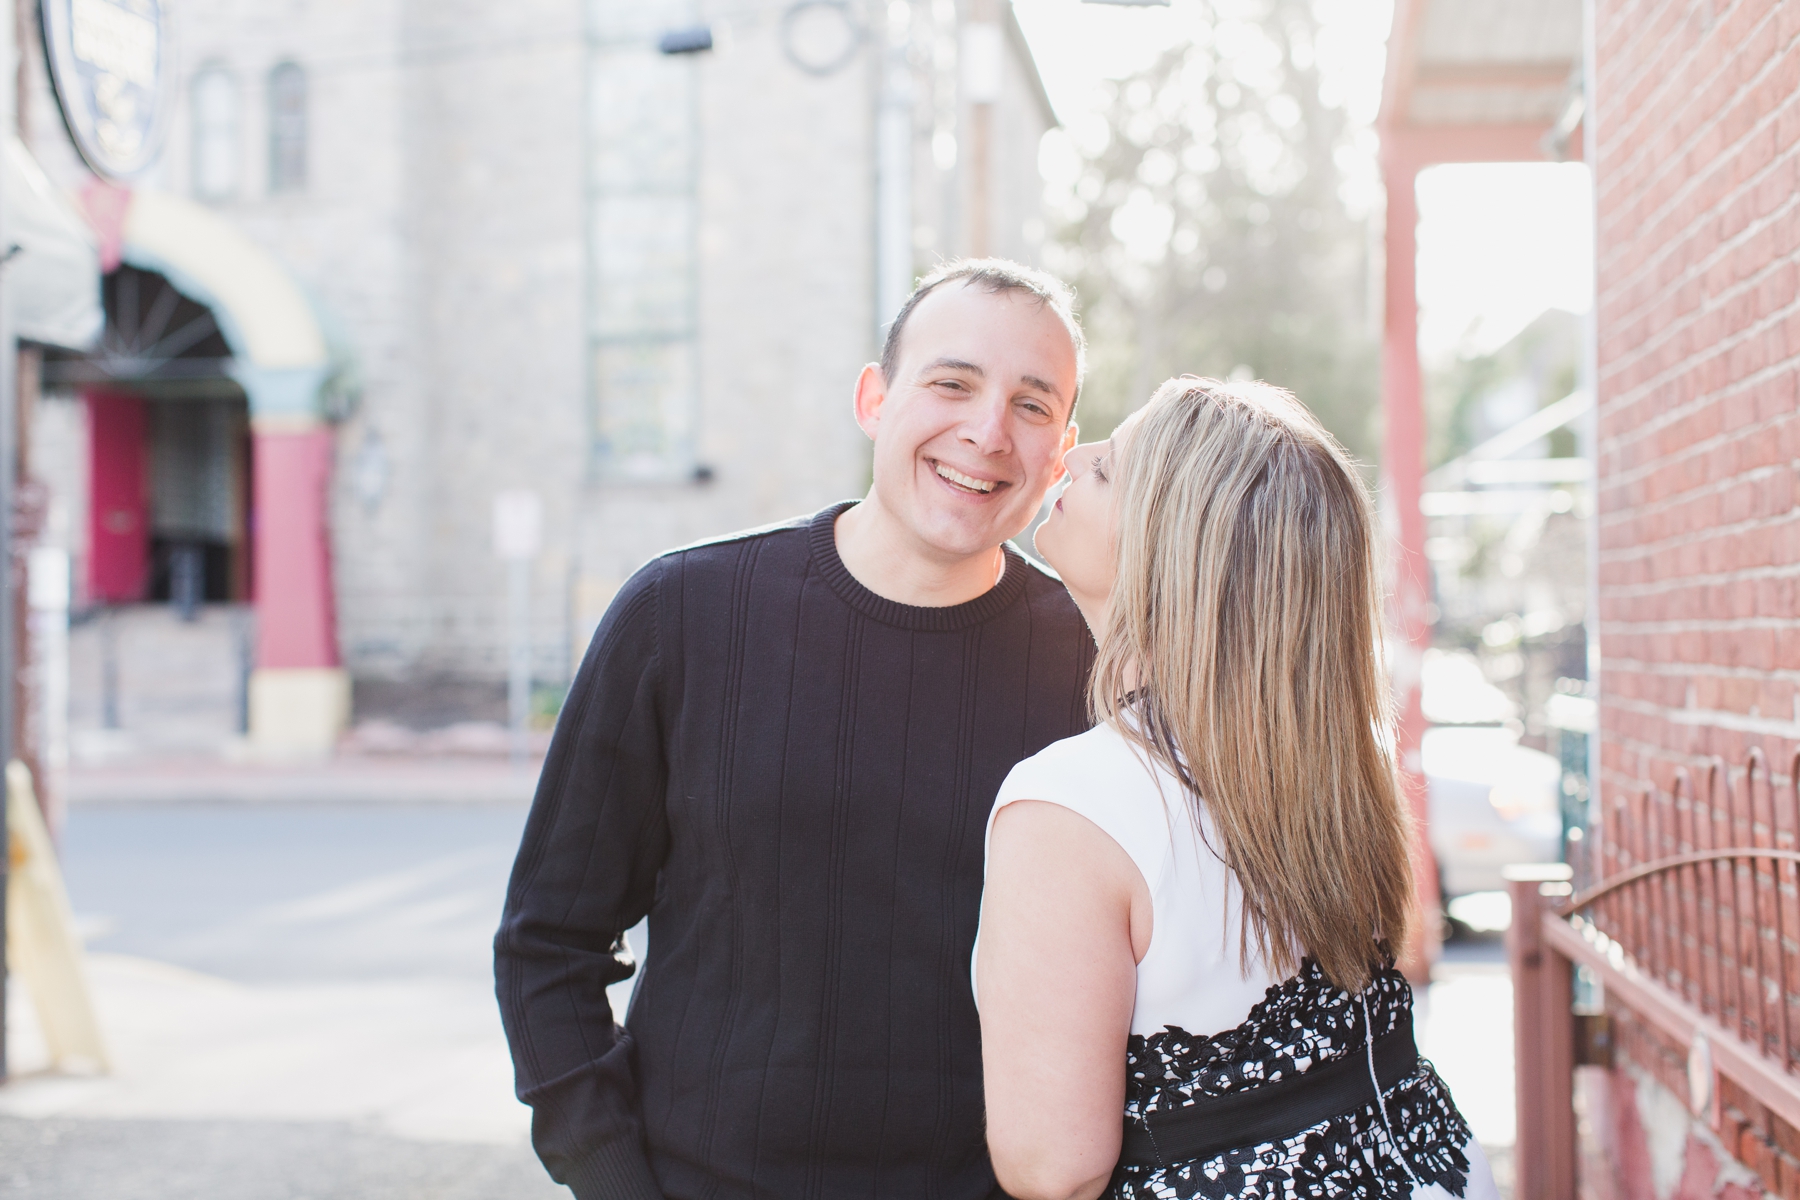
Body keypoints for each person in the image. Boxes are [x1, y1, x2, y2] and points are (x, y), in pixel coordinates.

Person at [495, 259, 1097, 1200]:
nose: (986, 433)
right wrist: (615, 1180)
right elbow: (547, 944)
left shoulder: (1097, 667)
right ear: (873, 399)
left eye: (1031, 405)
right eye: (952, 384)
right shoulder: (683, 614)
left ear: (1060, 454)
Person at [974, 378, 1497, 1200]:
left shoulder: (1069, 809)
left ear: (1174, 550)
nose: (1078, 455)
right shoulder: (1334, 765)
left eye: (1112, 468)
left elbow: (1054, 1168)